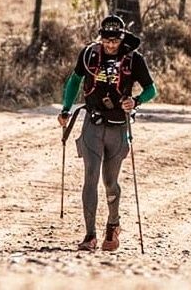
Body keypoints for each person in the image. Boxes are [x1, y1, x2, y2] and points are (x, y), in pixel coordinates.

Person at [57, 14, 157, 252]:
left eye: (115, 40)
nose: (111, 44)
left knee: (110, 182)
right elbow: (74, 80)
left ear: (122, 39)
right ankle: (90, 235)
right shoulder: (89, 54)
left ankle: (113, 225)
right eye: (106, 39)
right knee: (90, 178)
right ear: (100, 37)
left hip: (119, 126)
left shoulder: (134, 59)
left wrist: (136, 101)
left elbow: (151, 89)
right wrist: (65, 108)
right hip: (93, 122)